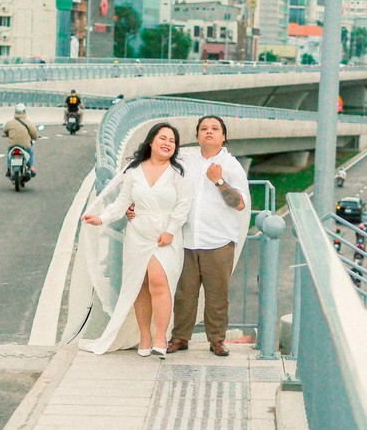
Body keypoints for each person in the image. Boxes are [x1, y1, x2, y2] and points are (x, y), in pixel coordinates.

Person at [79, 123, 193, 358]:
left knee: (159, 282)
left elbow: (184, 204)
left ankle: (161, 337)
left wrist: (171, 230)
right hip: (138, 233)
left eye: (172, 141)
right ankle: (144, 336)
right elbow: (121, 203)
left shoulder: (178, 173)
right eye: (163, 138)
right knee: (139, 285)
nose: (167, 143)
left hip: (165, 236)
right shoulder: (133, 171)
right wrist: (101, 218)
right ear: (151, 141)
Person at [167, 116, 250, 357]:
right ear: (197, 136)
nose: (209, 132)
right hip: (188, 239)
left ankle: (217, 341)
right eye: (204, 129)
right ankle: (180, 338)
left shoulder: (231, 165)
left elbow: (240, 203)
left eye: (215, 129)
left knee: (217, 296)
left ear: (223, 136)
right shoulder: (186, 162)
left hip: (219, 241)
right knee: (184, 294)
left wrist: (219, 181)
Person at [3, 103, 38, 177]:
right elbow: (34, 132)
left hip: (13, 145)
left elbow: (5, 130)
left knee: (9, 153)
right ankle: (31, 169)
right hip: (25, 145)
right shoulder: (29, 123)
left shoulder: (10, 123)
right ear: (24, 112)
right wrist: (35, 138)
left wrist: (7, 134)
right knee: (30, 152)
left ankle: (9, 169)